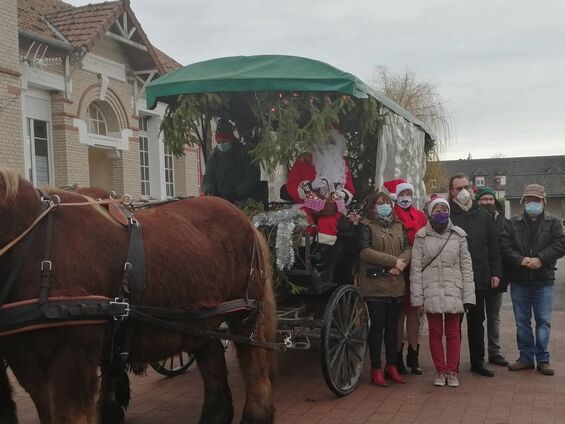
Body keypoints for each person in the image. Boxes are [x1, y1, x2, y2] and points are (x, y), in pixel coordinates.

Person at [500, 184, 565, 376]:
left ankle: (543, 360)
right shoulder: (512, 223)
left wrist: (541, 259)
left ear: (543, 201)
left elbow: (561, 243)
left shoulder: (553, 223)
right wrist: (521, 260)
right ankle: (526, 358)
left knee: (543, 321)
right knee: (522, 321)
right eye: (529, 200)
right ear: (523, 201)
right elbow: (504, 245)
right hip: (520, 280)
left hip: (544, 279)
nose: (533, 203)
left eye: (536, 200)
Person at [411, 195, 475, 387]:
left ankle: (452, 371)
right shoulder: (421, 236)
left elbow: (466, 266)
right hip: (430, 289)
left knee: (453, 332)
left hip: (454, 289)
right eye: (437, 210)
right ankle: (440, 370)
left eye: (444, 210)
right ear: (431, 213)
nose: (441, 213)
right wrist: (417, 298)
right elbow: (415, 269)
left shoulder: (459, 235)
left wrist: (469, 295)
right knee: (435, 332)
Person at [448, 174, 502, 377]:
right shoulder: (448, 215)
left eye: (466, 186)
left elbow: (493, 246)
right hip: (454, 278)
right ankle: (452, 364)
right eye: (458, 187)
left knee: (477, 322)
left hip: (478, 277)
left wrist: (495, 272)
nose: (463, 191)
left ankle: (477, 362)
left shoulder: (482, 215)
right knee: (454, 324)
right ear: (451, 191)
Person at [357, 191, 411, 387]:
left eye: (386, 202)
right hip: (375, 285)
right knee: (377, 327)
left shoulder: (398, 225)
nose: (384, 206)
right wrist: (392, 261)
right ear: (371, 207)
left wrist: (401, 264)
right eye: (379, 203)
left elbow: (407, 247)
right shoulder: (366, 226)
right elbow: (364, 251)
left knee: (393, 327)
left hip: (397, 284)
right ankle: (376, 368)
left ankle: (392, 365)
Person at [285, 127, 355, 265]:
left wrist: (339, 195)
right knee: (304, 220)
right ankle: (302, 257)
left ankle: (323, 258)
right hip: (308, 202)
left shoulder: (342, 162)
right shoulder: (304, 159)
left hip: (333, 205)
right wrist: (310, 186)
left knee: (328, 221)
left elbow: (350, 189)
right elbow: (291, 185)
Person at [383, 178, 427, 375]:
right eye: (402, 195)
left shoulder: (420, 215)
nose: (405, 198)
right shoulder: (391, 216)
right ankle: (397, 355)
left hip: (418, 268)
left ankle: (414, 355)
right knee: (399, 313)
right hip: (399, 267)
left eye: (408, 194)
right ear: (395, 197)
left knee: (415, 312)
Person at [475, 187, 510, 366]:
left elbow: (505, 246)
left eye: (490, 199)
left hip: (498, 275)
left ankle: (494, 352)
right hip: (478, 276)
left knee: (494, 316)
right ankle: (478, 354)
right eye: (484, 199)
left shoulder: (503, 221)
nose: (488, 202)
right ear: (478, 201)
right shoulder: (474, 219)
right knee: (477, 317)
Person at [202, 119, 264, 203]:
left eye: (224, 141)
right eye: (219, 142)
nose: (221, 144)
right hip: (220, 201)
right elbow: (208, 177)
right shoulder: (214, 157)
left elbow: (251, 178)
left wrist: (236, 194)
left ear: (231, 139)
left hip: (243, 201)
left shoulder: (245, 154)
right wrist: (209, 189)